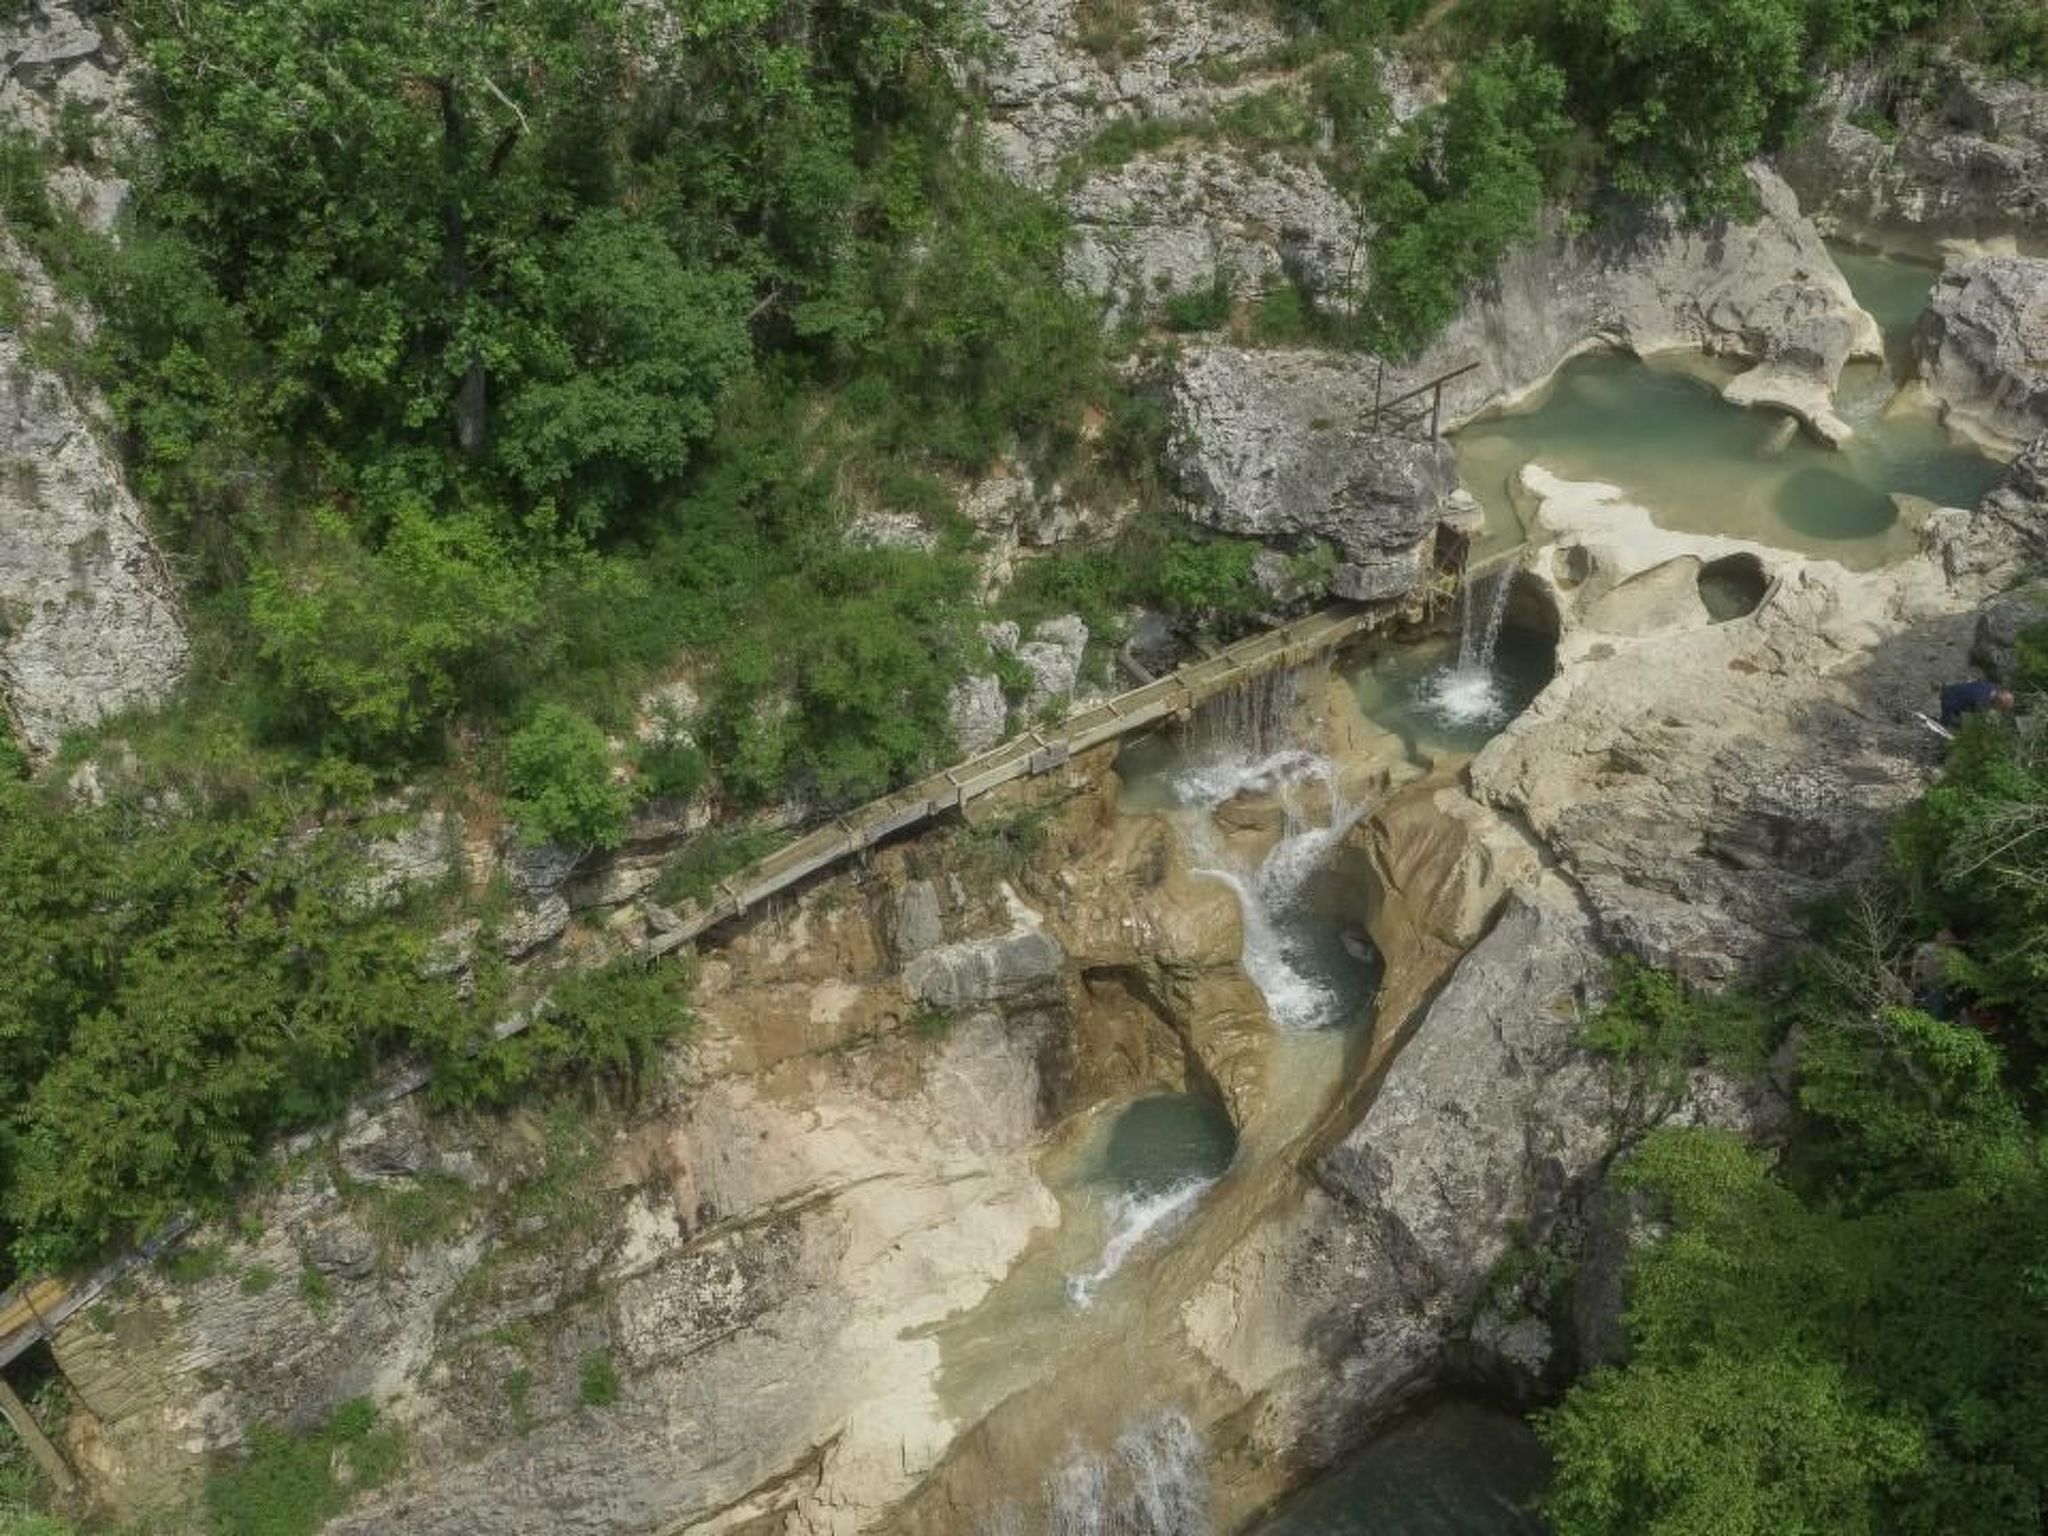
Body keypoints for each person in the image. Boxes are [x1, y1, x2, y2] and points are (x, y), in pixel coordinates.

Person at [1938, 679, 2015, 730]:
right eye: (1999, 709)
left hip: (1952, 689)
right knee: (1949, 728)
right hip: (1950, 701)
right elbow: (1978, 720)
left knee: (1959, 724)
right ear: (1998, 703)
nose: (1997, 710)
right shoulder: (1981, 702)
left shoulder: (1991, 686)